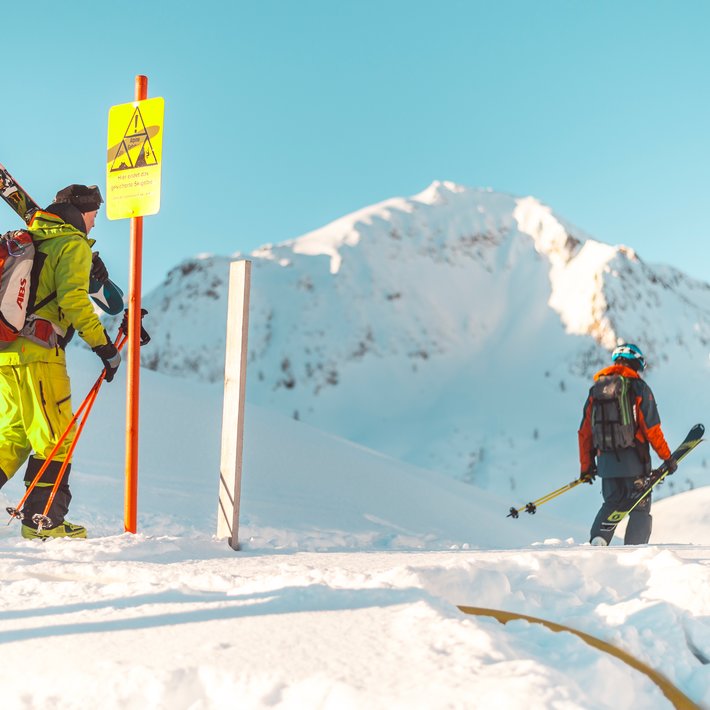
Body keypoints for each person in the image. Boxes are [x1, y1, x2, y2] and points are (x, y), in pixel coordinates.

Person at [0, 184, 121, 539]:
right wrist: (105, 348)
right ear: (82, 212)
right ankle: (44, 523)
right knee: (56, 438)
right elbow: (73, 302)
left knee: (15, 437)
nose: (95, 225)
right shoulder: (72, 245)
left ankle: (41, 518)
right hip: (39, 354)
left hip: (6, 354)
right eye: (94, 215)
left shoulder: (31, 238)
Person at [577, 343, 677, 546]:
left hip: (606, 464)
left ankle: (598, 543)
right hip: (635, 463)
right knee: (640, 509)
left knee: (611, 504)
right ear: (638, 362)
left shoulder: (596, 390)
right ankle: (635, 553)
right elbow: (652, 429)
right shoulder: (639, 388)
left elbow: (585, 433)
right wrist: (667, 458)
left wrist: (587, 468)